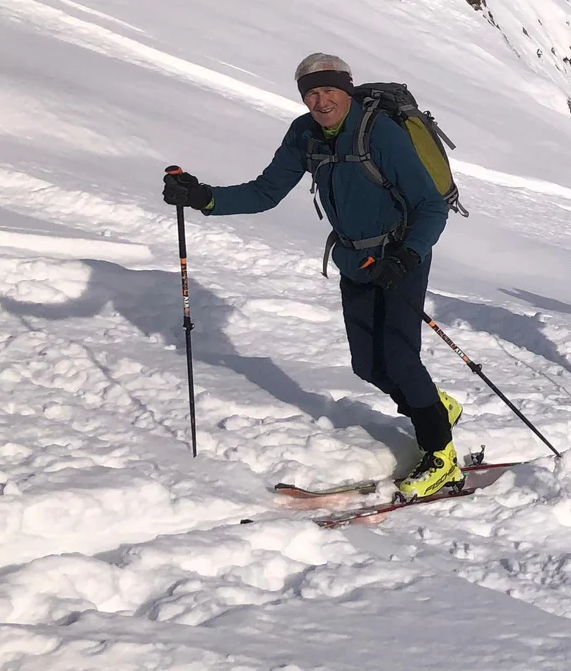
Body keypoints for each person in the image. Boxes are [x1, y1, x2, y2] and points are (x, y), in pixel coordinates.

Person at [160, 53, 462, 498]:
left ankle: (442, 458)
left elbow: (431, 206)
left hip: (399, 257)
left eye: (329, 90)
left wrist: (406, 258)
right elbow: (265, 192)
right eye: (311, 93)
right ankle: (433, 407)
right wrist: (204, 198)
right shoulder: (304, 134)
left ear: (346, 89)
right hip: (353, 260)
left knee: (399, 357)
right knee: (367, 365)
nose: (321, 102)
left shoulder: (379, 132)